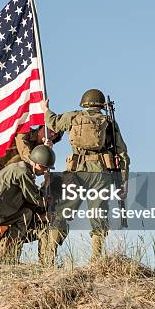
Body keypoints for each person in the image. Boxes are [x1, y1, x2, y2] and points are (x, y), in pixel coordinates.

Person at [40, 89, 130, 264]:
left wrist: (46, 109)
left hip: (76, 173)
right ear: (101, 105)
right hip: (101, 176)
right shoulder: (109, 122)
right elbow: (122, 153)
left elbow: (53, 123)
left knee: (62, 212)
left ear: (84, 103)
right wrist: (123, 182)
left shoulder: (73, 117)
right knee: (98, 217)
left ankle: (49, 255)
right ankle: (95, 259)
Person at [0, 127, 61, 250]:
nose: (52, 135)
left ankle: (7, 253)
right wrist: (44, 153)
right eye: (51, 130)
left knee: (25, 213)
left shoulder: (32, 163)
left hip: (11, 192)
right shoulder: (25, 135)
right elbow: (26, 158)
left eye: (56, 135)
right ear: (41, 127)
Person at [0, 145, 56, 262]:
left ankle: (8, 254)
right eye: (45, 168)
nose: (45, 171)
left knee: (26, 214)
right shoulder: (22, 172)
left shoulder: (22, 169)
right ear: (38, 164)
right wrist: (47, 184)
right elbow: (37, 201)